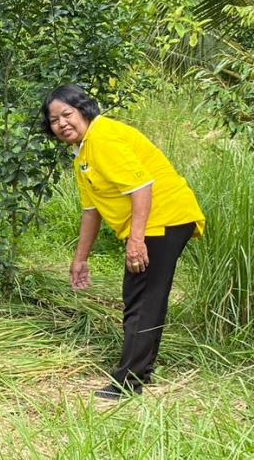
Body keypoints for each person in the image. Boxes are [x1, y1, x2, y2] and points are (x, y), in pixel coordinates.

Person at [42, 85, 205, 400]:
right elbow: (92, 212)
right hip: (156, 221)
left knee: (144, 298)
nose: (61, 124)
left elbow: (142, 188)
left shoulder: (103, 139)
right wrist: (80, 259)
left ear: (83, 110)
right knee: (139, 297)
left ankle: (128, 382)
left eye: (67, 114)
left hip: (165, 217)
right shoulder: (84, 154)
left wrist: (136, 241)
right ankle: (138, 372)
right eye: (53, 120)